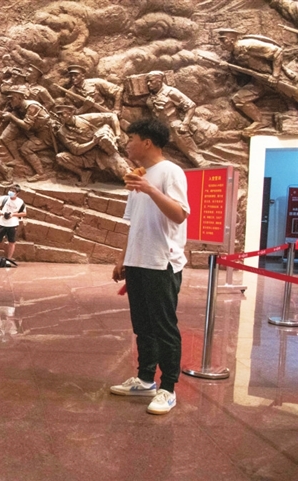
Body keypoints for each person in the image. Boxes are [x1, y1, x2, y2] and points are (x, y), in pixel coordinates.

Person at [110, 118, 189, 416]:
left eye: (131, 139)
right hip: (138, 261)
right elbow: (134, 224)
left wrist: (150, 189)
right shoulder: (138, 177)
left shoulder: (170, 171)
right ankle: (145, 380)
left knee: (164, 327)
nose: (127, 144)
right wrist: (123, 258)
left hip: (161, 262)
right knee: (142, 326)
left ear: (147, 142)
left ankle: (168, 388)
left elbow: (180, 214)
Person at [0, 184, 26, 259]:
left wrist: (13, 214)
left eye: (13, 191)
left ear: (17, 193)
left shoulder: (20, 202)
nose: (11, 192)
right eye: (10, 190)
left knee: (11, 242)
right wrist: (0, 211)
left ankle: (9, 259)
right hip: (2, 223)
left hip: (13, 224)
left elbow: (24, 213)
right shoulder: (4, 198)